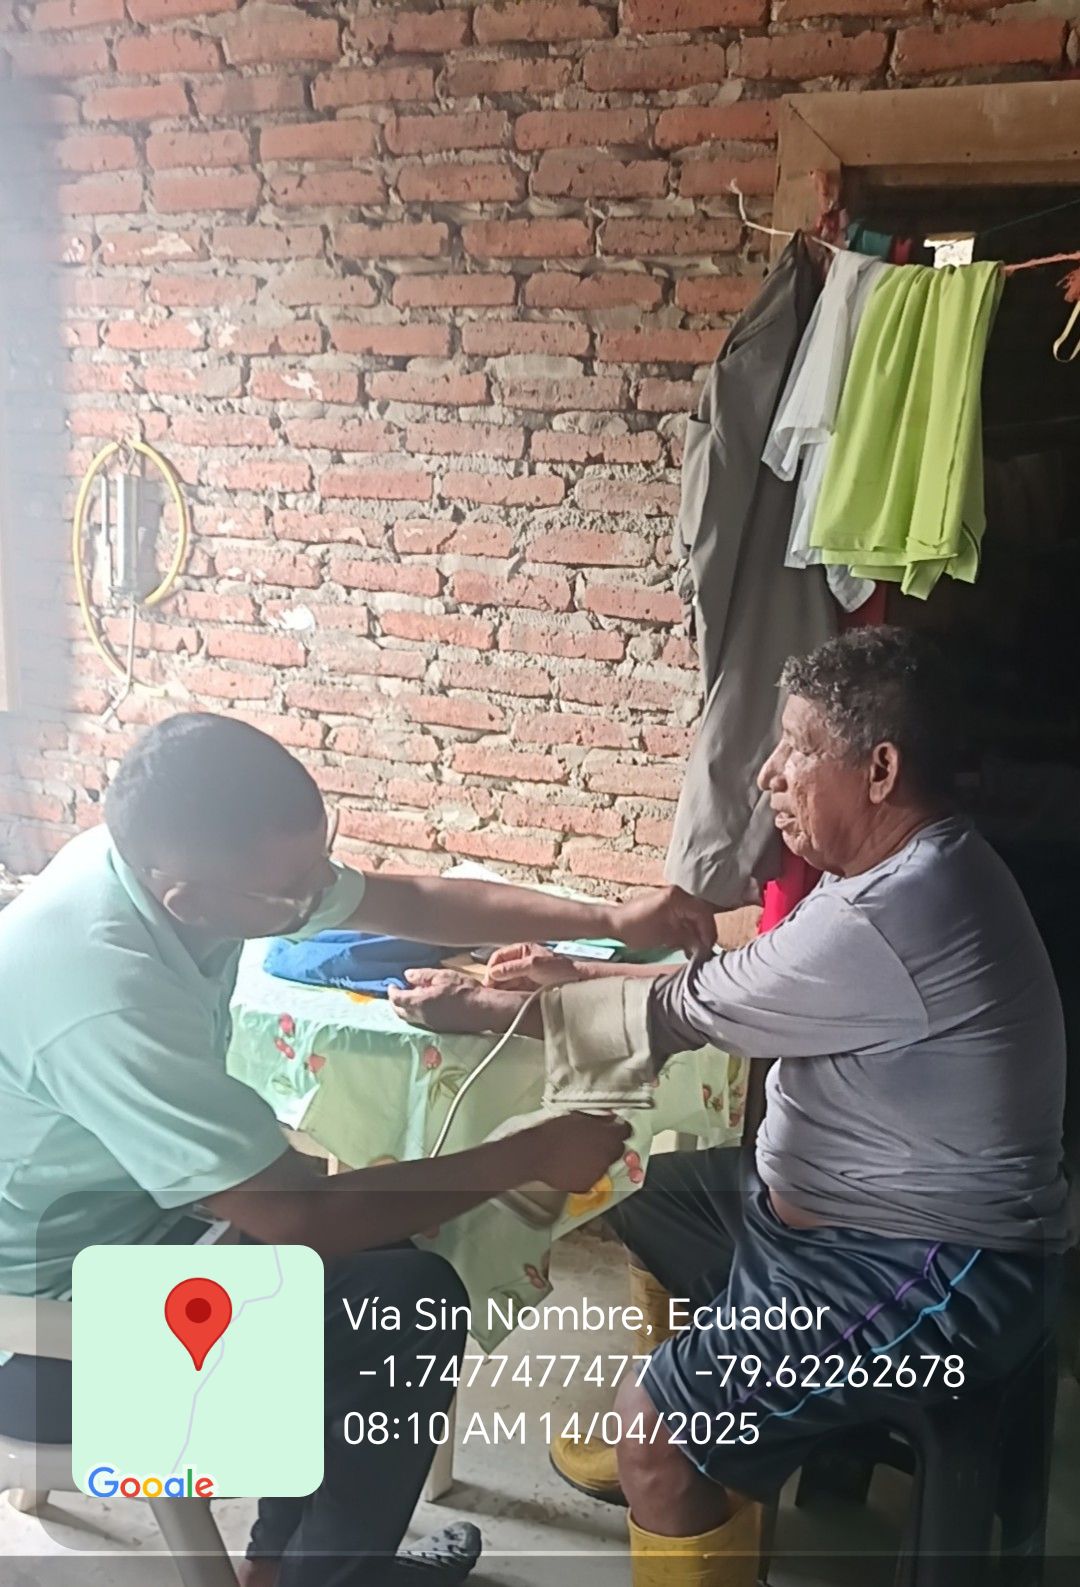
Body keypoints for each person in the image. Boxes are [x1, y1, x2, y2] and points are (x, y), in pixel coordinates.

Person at [393, 626, 1071, 1587]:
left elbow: (685, 1011)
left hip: (932, 1262)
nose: (768, 775)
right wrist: (569, 971)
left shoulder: (893, 910)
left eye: (798, 747)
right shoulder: (904, 871)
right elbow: (740, 983)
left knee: (657, 1433)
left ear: (879, 770)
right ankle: (709, 1437)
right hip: (828, 1218)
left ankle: (672, 1449)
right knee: (651, 1194)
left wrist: (479, 1006)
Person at [0, 711, 718, 1587]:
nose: (319, 898)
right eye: (293, 895)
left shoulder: (163, 871)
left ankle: (287, 1564)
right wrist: (526, 1156)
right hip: (48, 1348)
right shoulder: (104, 992)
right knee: (407, 1303)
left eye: (320, 864)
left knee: (380, 1239)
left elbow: (408, 899)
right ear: (185, 897)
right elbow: (299, 1218)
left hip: (128, 1237)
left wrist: (608, 916)